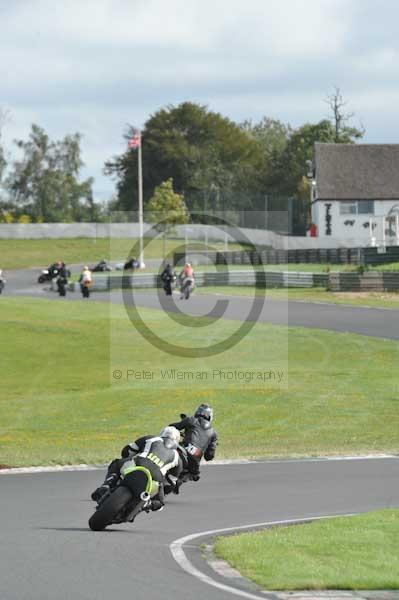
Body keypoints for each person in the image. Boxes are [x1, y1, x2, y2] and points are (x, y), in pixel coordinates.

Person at [91, 426, 185, 512]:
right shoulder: (178, 458)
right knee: (160, 504)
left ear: (162, 434)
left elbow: (127, 451)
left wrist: (129, 457)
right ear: (177, 441)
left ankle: (106, 485)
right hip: (156, 476)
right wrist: (162, 490)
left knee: (116, 463)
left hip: (138, 463)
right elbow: (171, 483)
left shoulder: (151, 438)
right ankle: (146, 504)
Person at [167, 403, 218, 494]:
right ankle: (179, 481)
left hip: (182, 449)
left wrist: (180, 430)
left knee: (168, 451)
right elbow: (209, 457)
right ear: (209, 416)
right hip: (195, 459)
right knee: (195, 475)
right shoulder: (213, 433)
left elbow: (171, 427)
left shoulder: (191, 420)